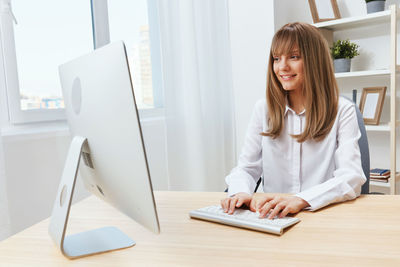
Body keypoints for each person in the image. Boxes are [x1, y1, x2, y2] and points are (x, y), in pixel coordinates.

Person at [221, 22, 366, 220]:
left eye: (294, 57)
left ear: (315, 60)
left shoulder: (342, 110)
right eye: (276, 58)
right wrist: (240, 193)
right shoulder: (263, 109)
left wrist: (301, 199)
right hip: (273, 217)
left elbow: (351, 177)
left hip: (322, 215)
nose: (282, 67)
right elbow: (246, 168)